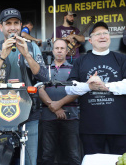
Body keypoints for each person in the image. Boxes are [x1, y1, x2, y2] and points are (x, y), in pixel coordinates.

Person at [0, 8, 48, 165]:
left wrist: (27, 55)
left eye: (16, 23)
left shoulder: (31, 47)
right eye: (8, 23)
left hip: (29, 112)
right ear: (1, 27)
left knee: (29, 160)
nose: (12, 27)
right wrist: (2, 55)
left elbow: (43, 77)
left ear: (21, 25)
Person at [50, 21, 126, 155]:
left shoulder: (121, 58)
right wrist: (88, 86)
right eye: (98, 34)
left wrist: (105, 86)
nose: (102, 36)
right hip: (90, 127)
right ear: (90, 40)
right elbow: (69, 88)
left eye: (105, 33)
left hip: (119, 126)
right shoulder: (81, 61)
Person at [38, 39, 80, 165]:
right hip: (48, 118)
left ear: (67, 51)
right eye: (57, 48)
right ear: (52, 51)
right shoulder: (44, 69)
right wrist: (55, 108)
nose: (59, 51)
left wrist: (58, 104)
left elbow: (77, 91)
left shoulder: (74, 69)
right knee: (47, 155)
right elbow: (40, 90)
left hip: (71, 117)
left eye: (62, 48)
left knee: (73, 155)